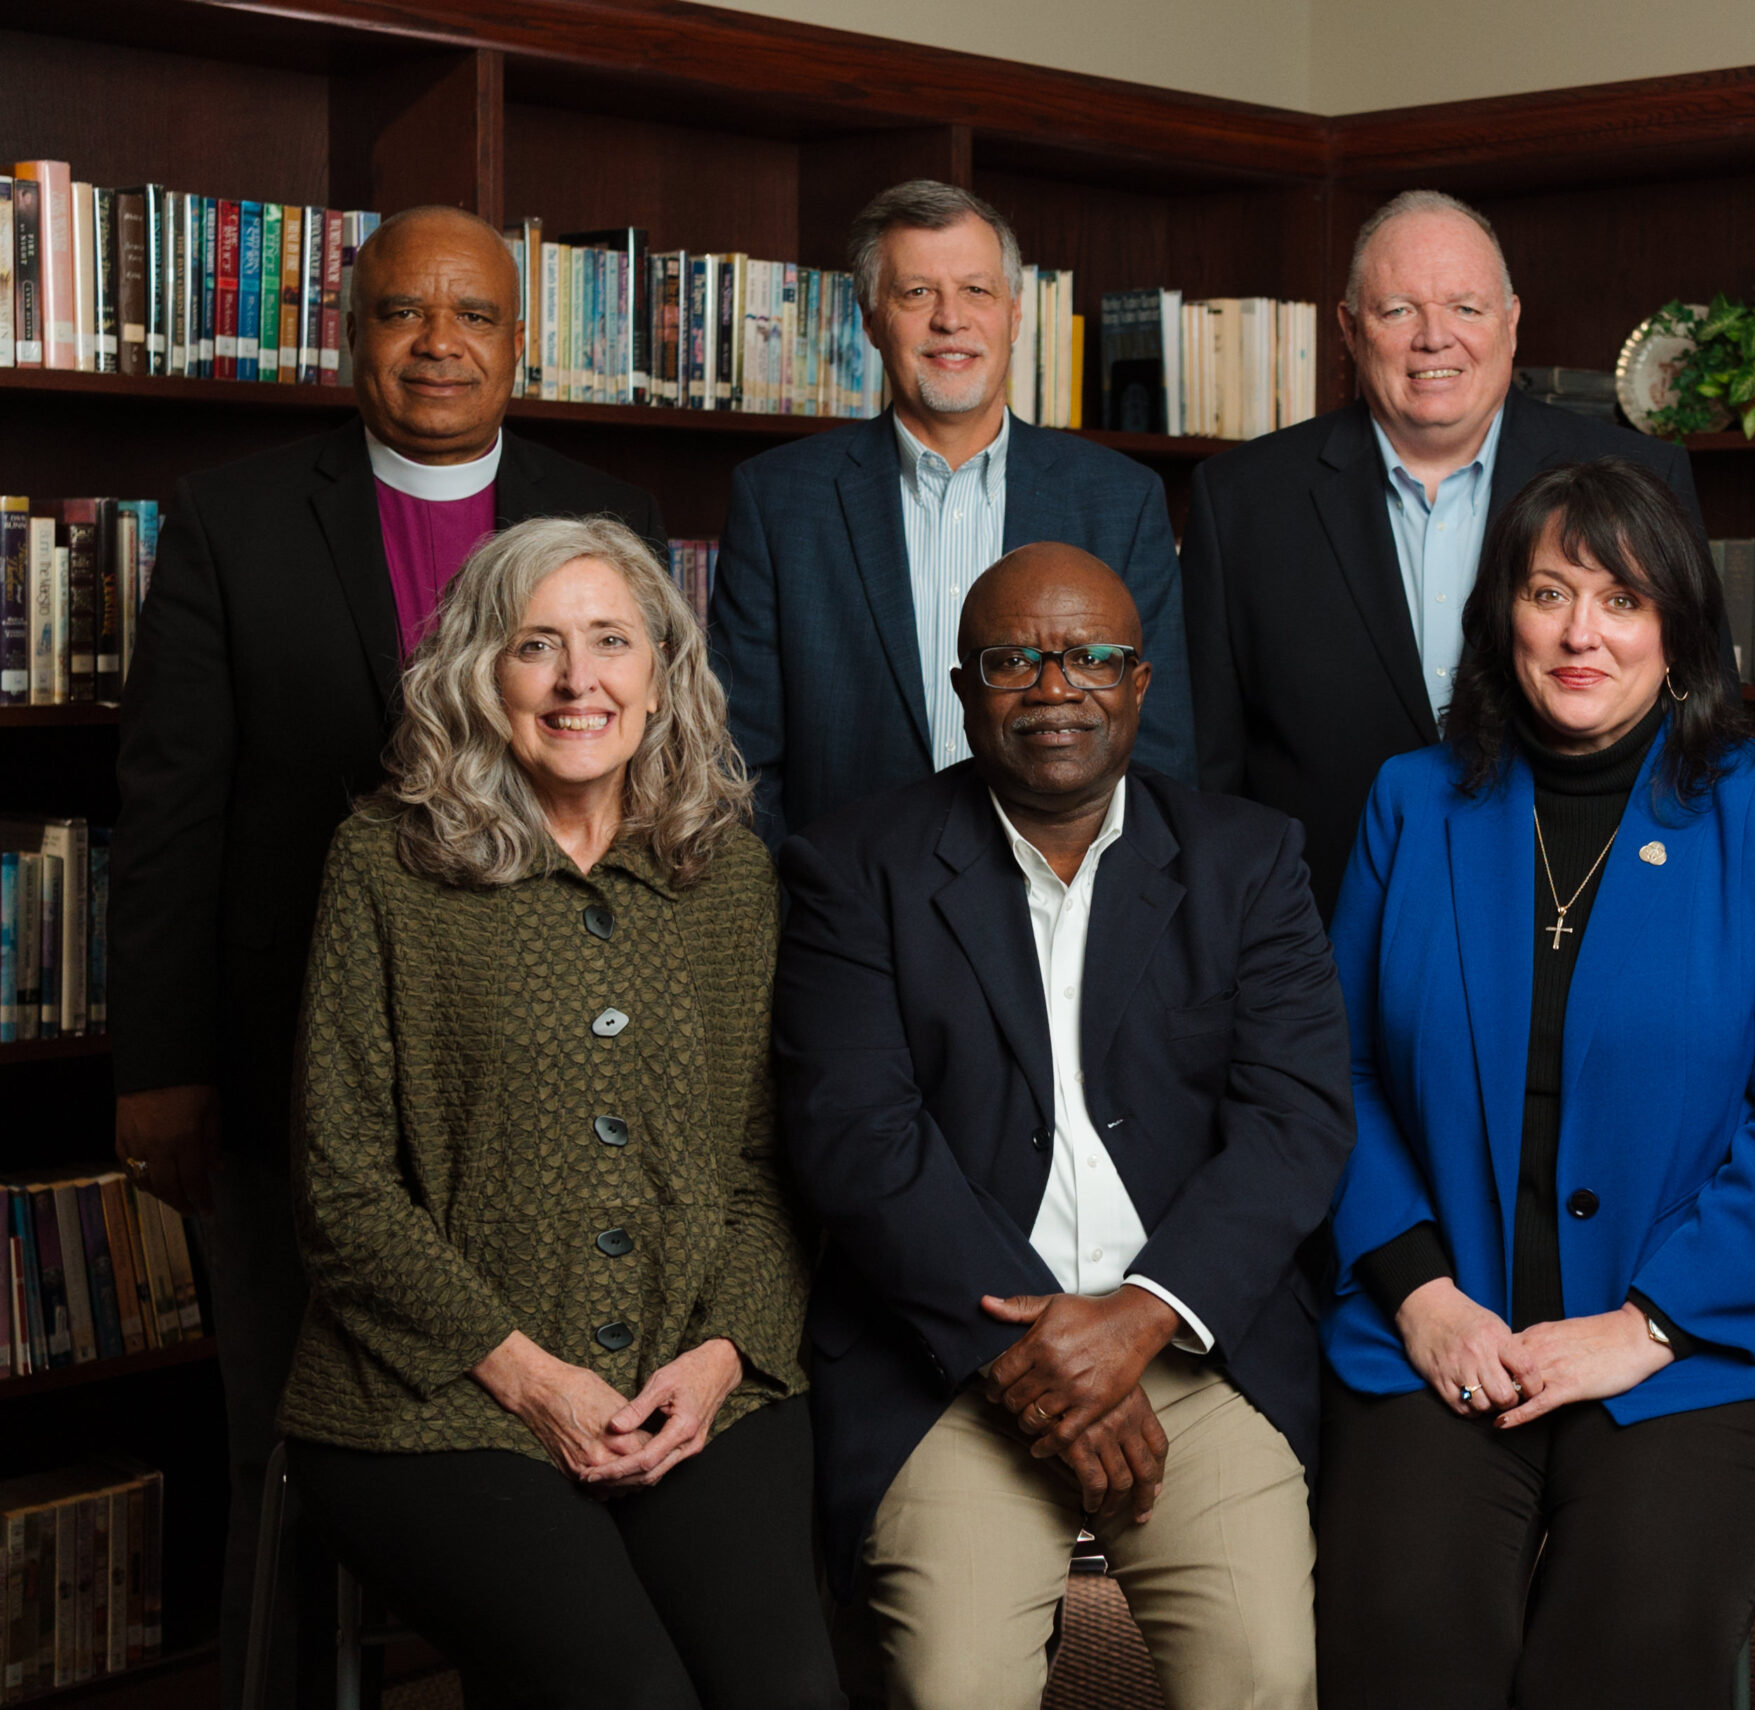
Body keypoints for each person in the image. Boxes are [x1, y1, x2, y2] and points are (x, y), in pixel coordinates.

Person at [109, 204, 664, 1708]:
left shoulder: (604, 516)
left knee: (533, 1441)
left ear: (520, 341)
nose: (438, 344)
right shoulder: (231, 518)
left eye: (472, 314)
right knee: (281, 1439)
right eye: (402, 312)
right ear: (349, 333)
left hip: (534, 1086)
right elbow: (170, 809)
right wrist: (160, 1063)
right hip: (287, 1070)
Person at [1318, 459, 1755, 1710]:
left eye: (1623, 600)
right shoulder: (1412, 801)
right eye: (1549, 593)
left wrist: (1647, 1327)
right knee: (1405, 1635)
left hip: (1707, 1348)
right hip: (1452, 1325)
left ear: (1677, 631)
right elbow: (1336, 1071)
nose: (1583, 633)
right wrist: (1419, 1293)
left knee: (1614, 1655)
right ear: (1503, 620)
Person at [772, 542, 1352, 1709]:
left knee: (1262, 1674)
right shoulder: (853, 865)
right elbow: (858, 1137)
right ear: (962, 688)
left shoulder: (1247, 860)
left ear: (1140, 682)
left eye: (1090, 657)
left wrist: (1141, 1318)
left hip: (1194, 1350)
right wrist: (1040, 1361)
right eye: (1012, 662)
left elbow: (1295, 1120)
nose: (1054, 688)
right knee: (952, 1685)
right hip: (945, 1360)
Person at [279, 515, 839, 1710]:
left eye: (611, 642)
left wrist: (718, 1359)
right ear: (481, 675)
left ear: (662, 675)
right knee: (629, 1694)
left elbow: (764, 1166)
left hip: (693, 1374)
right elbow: (343, 1188)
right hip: (440, 1396)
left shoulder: (729, 873)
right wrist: (533, 1380)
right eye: (537, 645)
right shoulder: (384, 864)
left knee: (785, 1690)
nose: (579, 680)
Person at [1182, 189, 1702, 916]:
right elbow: (1207, 764)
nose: (1435, 338)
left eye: (1466, 307)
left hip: (1580, 909)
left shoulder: (1640, 476)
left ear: (1511, 322)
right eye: (1399, 310)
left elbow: (1697, 715)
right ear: (1349, 329)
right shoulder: (1242, 498)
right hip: (1310, 925)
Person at [712, 179, 1194, 842]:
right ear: (871, 320)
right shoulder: (778, 500)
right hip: (841, 891)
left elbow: (1159, 753)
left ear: (1015, 315)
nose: (950, 319)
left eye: (976, 290)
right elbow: (740, 762)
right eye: (917, 292)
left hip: (1061, 891)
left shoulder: (1121, 500)